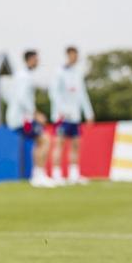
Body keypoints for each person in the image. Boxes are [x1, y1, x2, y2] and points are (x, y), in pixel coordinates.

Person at [6, 49, 53, 186]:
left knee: (39, 141)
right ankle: (39, 175)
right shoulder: (24, 76)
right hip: (22, 119)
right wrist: (35, 113)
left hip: (22, 118)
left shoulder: (23, 75)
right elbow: (22, 98)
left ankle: (38, 175)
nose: (38, 62)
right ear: (30, 59)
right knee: (45, 140)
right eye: (36, 59)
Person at [49, 46, 94, 184]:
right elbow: (54, 94)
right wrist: (62, 110)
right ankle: (56, 175)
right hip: (62, 116)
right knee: (59, 144)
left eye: (76, 55)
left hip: (75, 116)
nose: (75, 57)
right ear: (67, 55)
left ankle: (74, 174)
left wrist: (88, 113)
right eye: (72, 55)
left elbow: (82, 94)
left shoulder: (78, 73)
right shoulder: (59, 72)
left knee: (76, 144)